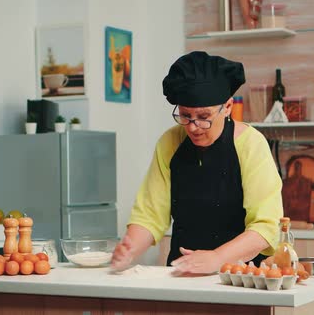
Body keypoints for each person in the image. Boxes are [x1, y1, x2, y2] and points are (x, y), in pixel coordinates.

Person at [111, 51, 283, 274]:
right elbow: (150, 215)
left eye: (203, 117)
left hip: (243, 277)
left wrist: (217, 258)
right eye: (185, 115)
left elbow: (266, 226)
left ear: (228, 107)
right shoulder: (169, 143)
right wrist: (129, 249)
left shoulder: (251, 144)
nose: (192, 126)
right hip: (184, 273)